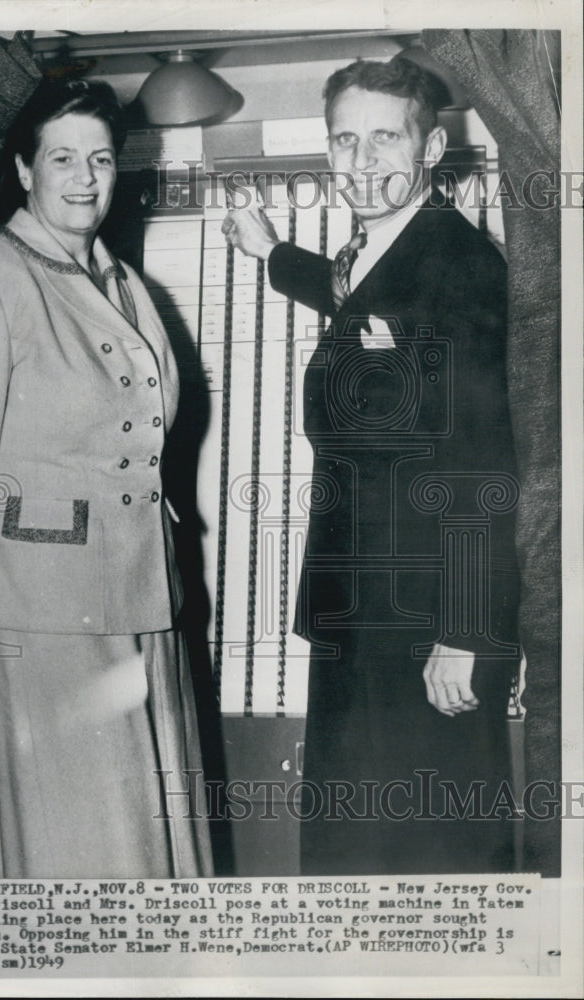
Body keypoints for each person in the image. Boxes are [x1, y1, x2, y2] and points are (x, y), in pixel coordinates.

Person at [0, 79, 213, 878]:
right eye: (63, 158)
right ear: (23, 169)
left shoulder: (125, 284)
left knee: (153, 843)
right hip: (42, 621)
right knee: (86, 847)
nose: (85, 177)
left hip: (144, 606)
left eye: (102, 159)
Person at [223, 56, 521, 874]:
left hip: (423, 622)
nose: (360, 164)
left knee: (427, 852)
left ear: (430, 150)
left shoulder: (463, 265)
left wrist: (465, 629)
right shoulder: (392, 250)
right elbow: (357, 299)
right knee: (355, 844)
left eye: (384, 141)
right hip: (359, 609)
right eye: (344, 141)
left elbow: (484, 456)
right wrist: (273, 254)